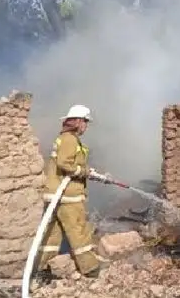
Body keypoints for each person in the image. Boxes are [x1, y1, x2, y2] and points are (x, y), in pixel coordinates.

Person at [33, 104, 108, 283]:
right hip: (68, 196)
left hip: (55, 194)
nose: (86, 126)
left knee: (52, 235)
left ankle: (42, 269)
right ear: (78, 122)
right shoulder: (69, 140)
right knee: (78, 230)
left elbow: (69, 163)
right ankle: (90, 268)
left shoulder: (65, 138)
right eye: (85, 122)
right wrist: (84, 172)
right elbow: (65, 164)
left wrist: (89, 171)